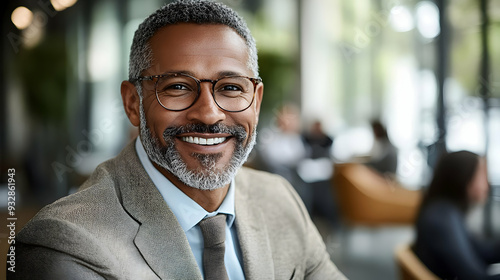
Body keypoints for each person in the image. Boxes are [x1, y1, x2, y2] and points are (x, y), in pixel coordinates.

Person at [10, 1, 346, 279]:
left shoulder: (280, 199)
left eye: (230, 88)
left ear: (256, 102)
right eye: (178, 87)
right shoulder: (64, 243)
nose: (210, 114)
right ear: (133, 104)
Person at [413, 151, 500, 279]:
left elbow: (483, 252)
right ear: (463, 177)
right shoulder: (443, 219)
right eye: (481, 175)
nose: (487, 184)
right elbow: (474, 277)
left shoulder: (446, 212)